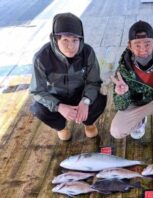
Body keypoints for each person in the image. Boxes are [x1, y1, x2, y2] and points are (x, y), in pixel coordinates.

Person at [30, 13, 107, 141]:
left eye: (75, 40)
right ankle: (61, 128)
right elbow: (37, 91)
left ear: (80, 40)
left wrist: (85, 101)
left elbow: (94, 82)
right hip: (57, 96)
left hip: (81, 94)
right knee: (38, 108)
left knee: (99, 99)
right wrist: (58, 106)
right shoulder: (41, 57)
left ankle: (89, 124)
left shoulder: (88, 52)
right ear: (56, 39)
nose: (71, 46)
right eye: (65, 40)